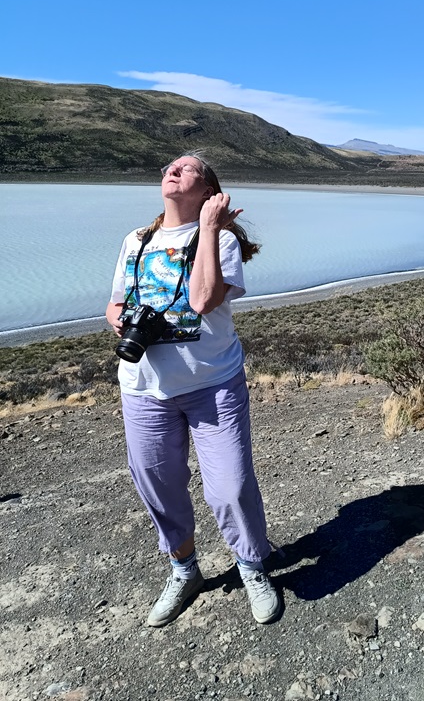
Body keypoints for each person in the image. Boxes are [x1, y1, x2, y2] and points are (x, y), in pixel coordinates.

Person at [105, 152, 280, 628]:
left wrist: (208, 227)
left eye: (188, 169)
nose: (173, 169)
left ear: (208, 192)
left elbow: (202, 300)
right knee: (158, 488)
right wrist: (121, 320)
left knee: (230, 487)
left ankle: (251, 566)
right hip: (144, 388)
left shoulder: (220, 241)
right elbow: (115, 303)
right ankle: (184, 569)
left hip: (212, 384)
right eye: (169, 166)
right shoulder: (136, 240)